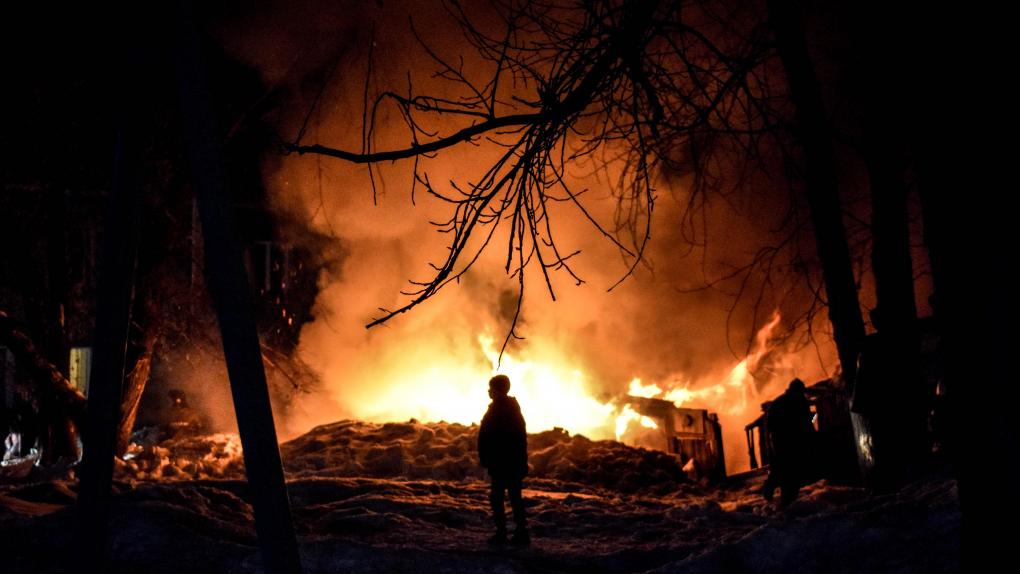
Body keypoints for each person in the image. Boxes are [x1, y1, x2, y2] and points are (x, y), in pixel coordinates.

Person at [477, 374, 530, 546]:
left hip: (504, 463)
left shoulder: (502, 410)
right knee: (510, 498)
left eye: (491, 388)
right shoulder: (506, 409)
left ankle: (507, 534)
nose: (488, 392)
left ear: (498, 391)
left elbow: (505, 438)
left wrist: (490, 457)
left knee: (501, 498)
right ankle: (517, 533)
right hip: (506, 462)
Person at [761, 378, 815, 505]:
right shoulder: (797, 403)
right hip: (788, 442)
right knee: (790, 471)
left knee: (784, 469)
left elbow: (769, 425)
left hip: (784, 442)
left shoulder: (779, 402)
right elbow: (808, 422)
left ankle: (772, 490)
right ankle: (787, 500)